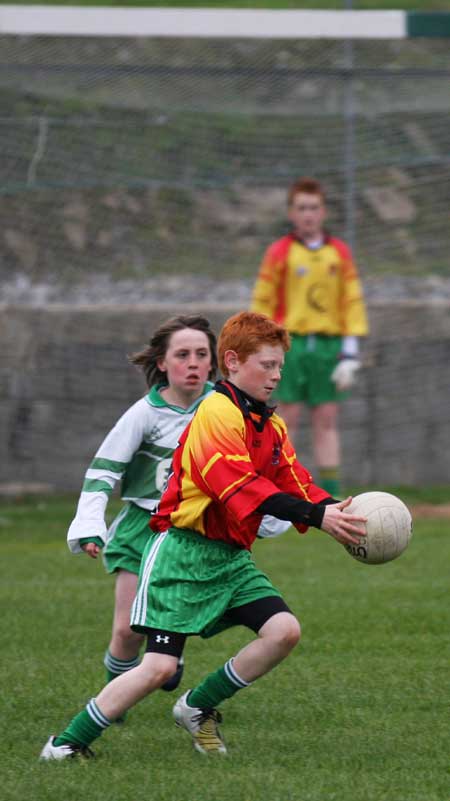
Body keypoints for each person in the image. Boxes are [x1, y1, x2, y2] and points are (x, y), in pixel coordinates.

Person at [40, 311, 366, 761]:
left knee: (283, 632)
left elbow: (295, 481)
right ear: (231, 362)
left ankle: (196, 707)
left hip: (230, 559)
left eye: (279, 367)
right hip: (181, 555)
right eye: (266, 366)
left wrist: (340, 514)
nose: (275, 377)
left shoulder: (269, 424)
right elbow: (239, 487)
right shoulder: (216, 412)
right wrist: (315, 516)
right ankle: (64, 745)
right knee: (157, 667)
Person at [65, 314, 218, 696]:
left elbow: (256, 464)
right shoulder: (143, 414)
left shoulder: (223, 409)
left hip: (191, 531)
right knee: (126, 628)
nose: (194, 362)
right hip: (142, 528)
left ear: (213, 362)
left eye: (202, 354)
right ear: (162, 363)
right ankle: (114, 698)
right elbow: (103, 471)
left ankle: (170, 646)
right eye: (182, 354)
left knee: (189, 615)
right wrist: (88, 524)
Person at [250, 177, 369, 497]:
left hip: (328, 346)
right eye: (301, 208)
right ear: (292, 213)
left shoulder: (339, 253)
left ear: (323, 211)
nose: (308, 214)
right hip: (291, 344)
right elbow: (263, 301)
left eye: (313, 207)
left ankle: (330, 494)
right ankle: (282, 490)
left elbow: (351, 300)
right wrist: (263, 345)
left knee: (327, 419)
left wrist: (350, 352)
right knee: (287, 418)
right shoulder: (280, 252)